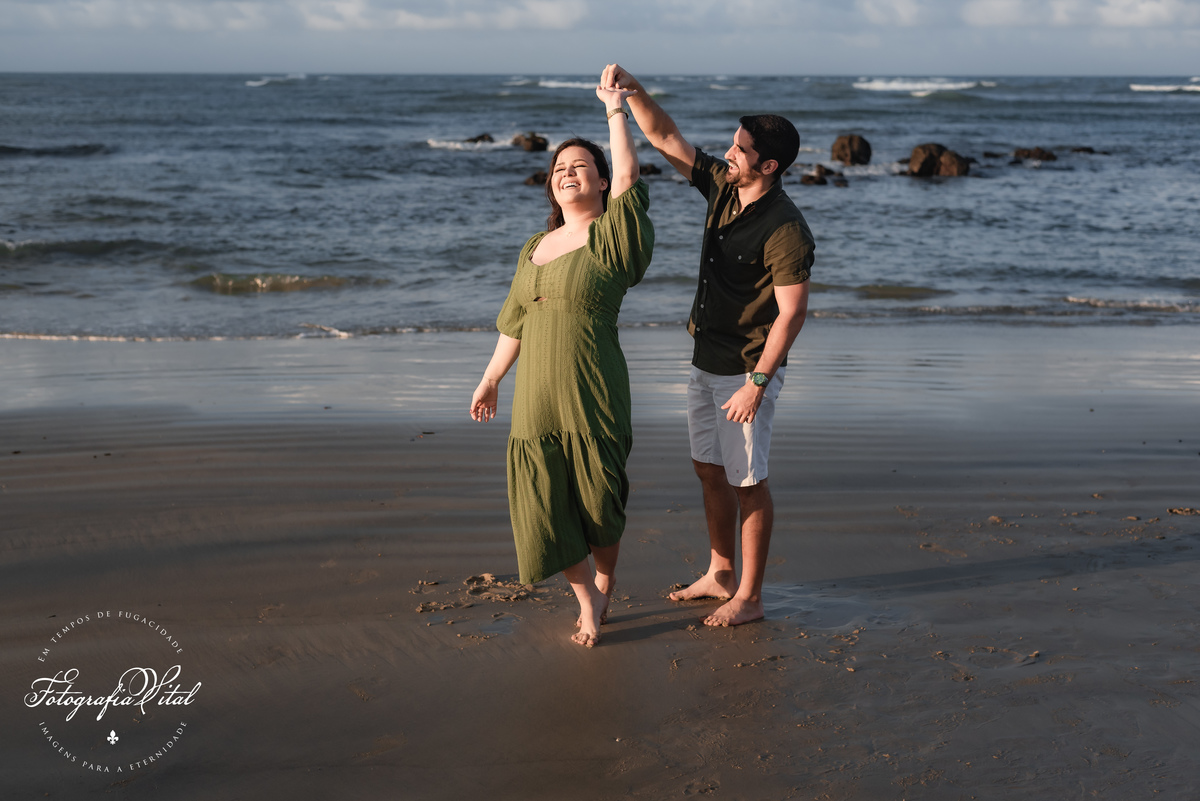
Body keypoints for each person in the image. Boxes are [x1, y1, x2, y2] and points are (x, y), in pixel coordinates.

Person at [600, 64, 814, 627]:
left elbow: (792, 313)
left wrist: (758, 384)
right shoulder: (724, 185)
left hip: (747, 369)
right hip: (705, 357)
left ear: (768, 166)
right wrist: (631, 91)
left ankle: (751, 597)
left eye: (740, 149)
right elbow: (666, 136)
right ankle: (721, 573)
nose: (728, 152)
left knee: (749, 484)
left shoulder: (786, 229)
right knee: (708, 468)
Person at [469, 80, 654, 648]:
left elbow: (630, 176)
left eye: (580, 166)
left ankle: (605, 580)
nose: (567, 173)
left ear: (601, 181)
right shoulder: (533, 247)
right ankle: (587, 600)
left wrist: (616, 110)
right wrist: (490, 379)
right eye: (559, 168)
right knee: (544, 502)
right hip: (536, 395)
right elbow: (514, 322)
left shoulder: (612, 236)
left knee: (599, 501)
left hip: (592, 386)